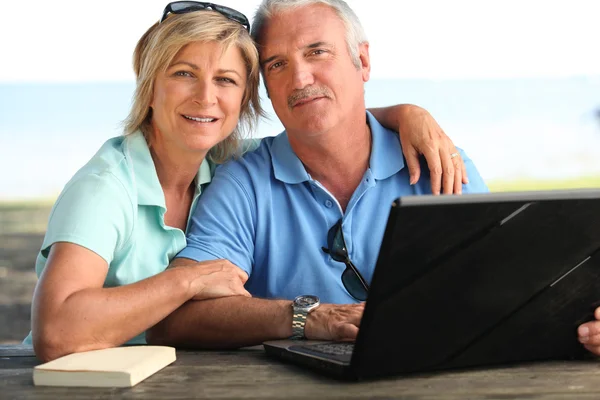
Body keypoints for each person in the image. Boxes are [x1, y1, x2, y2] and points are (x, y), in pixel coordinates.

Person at [26, 2, 468, 362]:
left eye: (226, 80)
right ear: (149, 81)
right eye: (183, 74)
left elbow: (325, 120)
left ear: (244, 98)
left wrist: (407, 114)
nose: (205, 97)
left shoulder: (219, 160)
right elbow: (58, 333)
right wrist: (188, 281)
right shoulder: (107, 187)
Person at [146, 0, 488, 350]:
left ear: (363, 61)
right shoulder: (242, 182)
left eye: (318, 52)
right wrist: (306, 318)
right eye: (277, 64)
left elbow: (505, 287)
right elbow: (177, 320)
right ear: (265, 86)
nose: (300, 79)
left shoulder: (441, 165)